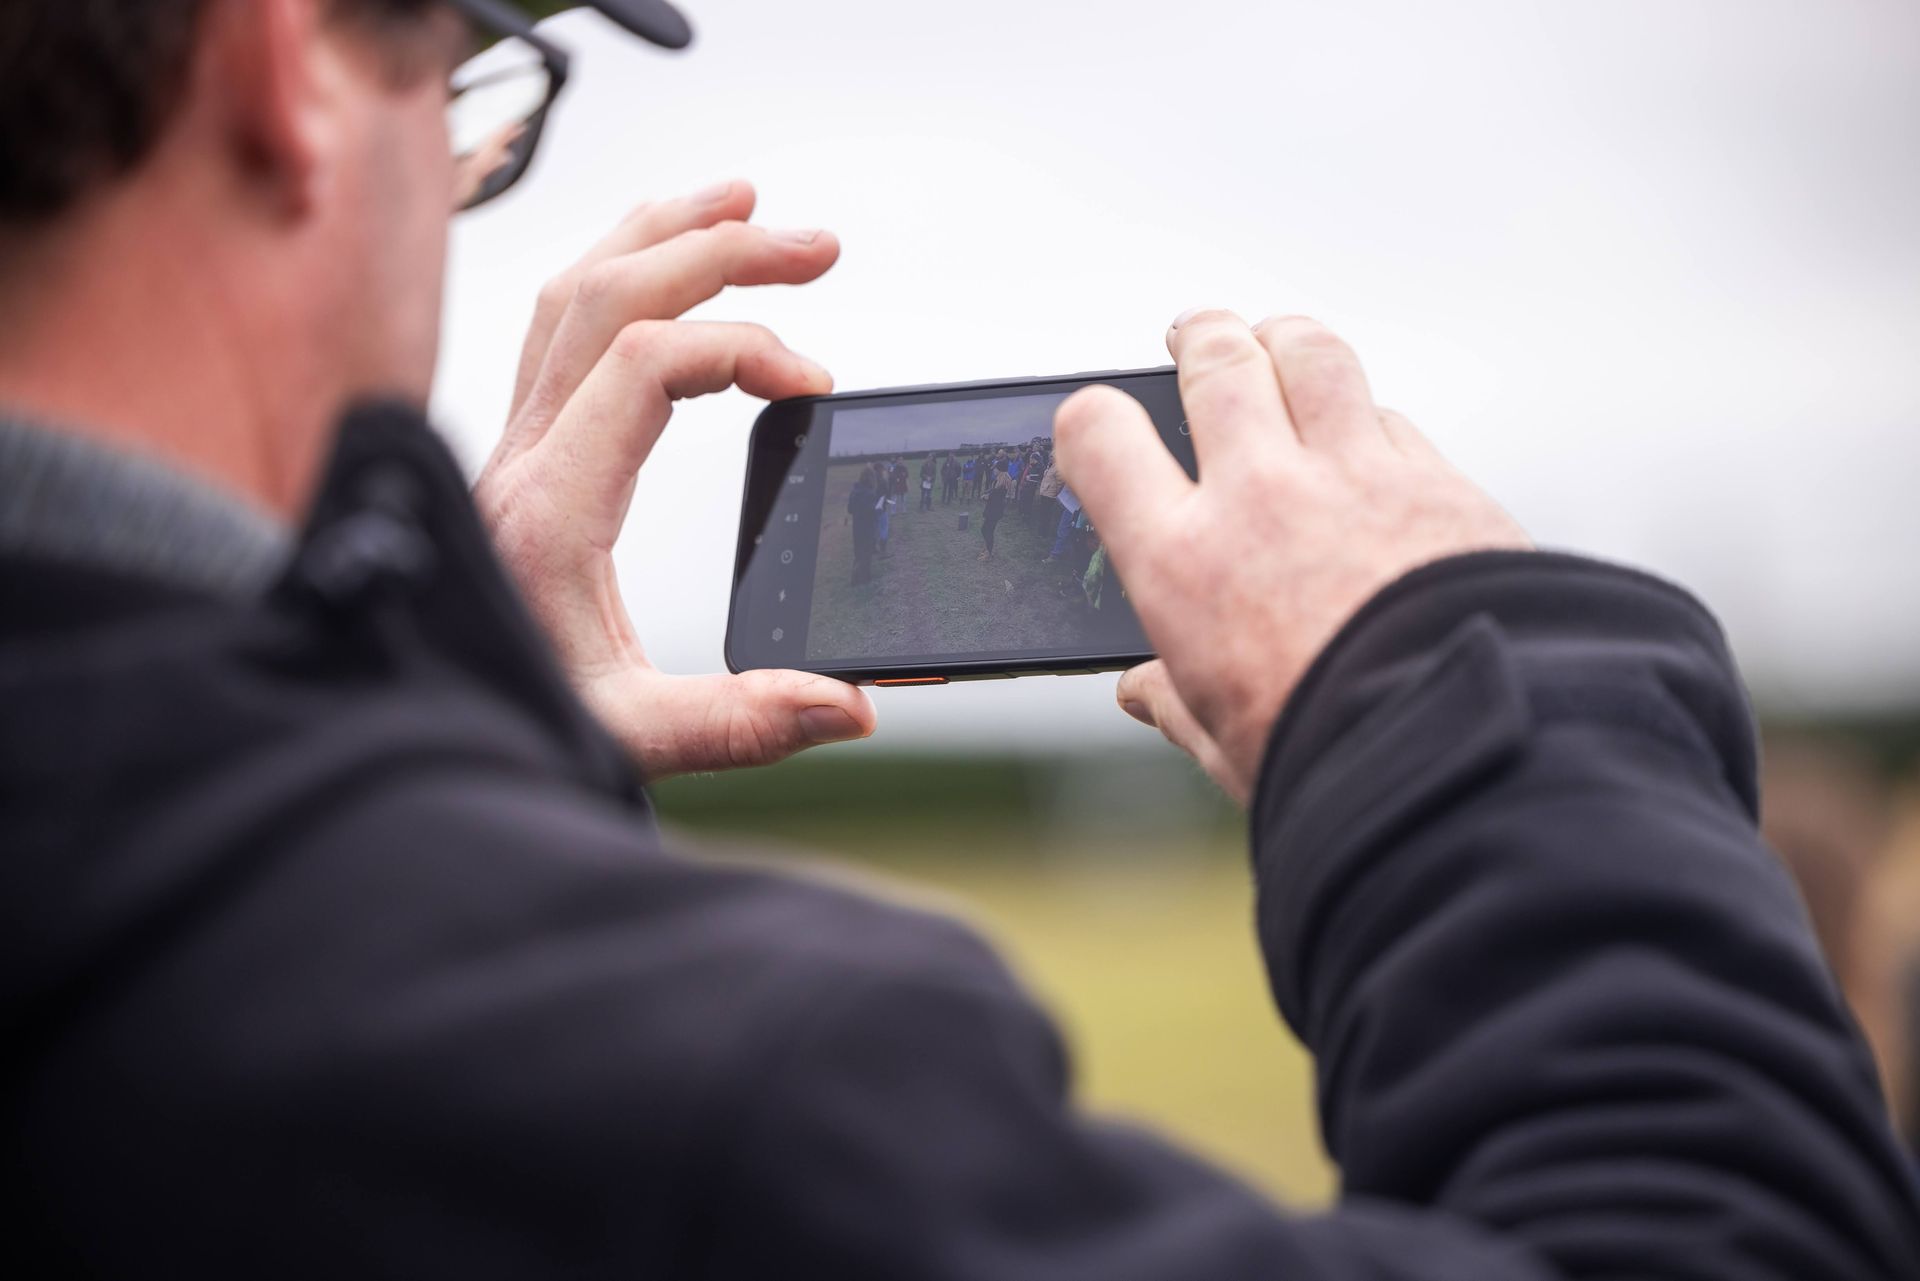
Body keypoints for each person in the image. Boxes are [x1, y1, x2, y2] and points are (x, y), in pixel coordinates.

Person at [1, 4, 1917, 1280]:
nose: (462, 181)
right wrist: (1471, 691)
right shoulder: (724, 1094)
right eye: (475, 95)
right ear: (292, 73)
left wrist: (429, 760)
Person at [847, 463, 879, 584]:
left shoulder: (855, 490)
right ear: (871, 478)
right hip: (867, 528)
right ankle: (865, 578)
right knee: (866, 554)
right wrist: (877, 509)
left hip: (857, 528)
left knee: (858, 554)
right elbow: (871, 513)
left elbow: (849, 509)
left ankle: (854, 579)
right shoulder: (870, 494)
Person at [979, 470, 1010, 560]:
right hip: (993, 511)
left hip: (994, 512)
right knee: (986, 530)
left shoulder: (1002, 484)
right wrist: (986, 493)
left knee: (987, 530)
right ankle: (988, 549)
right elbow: (992, 491)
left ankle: (988, 553)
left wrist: (986, 497)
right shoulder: (998, 482)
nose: (994, 470)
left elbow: (994, 496)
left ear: (999, 470)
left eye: (996, 468)